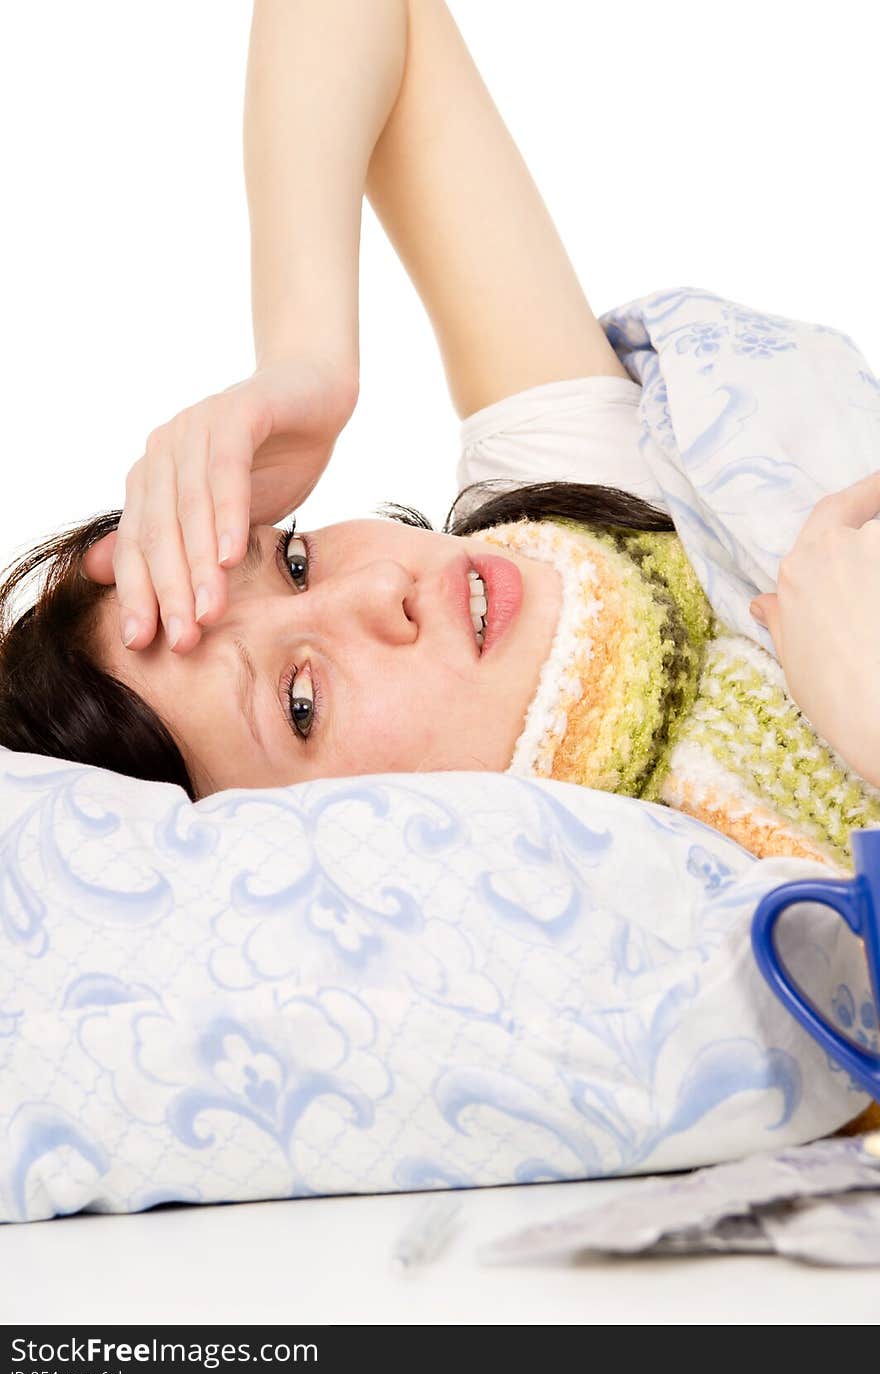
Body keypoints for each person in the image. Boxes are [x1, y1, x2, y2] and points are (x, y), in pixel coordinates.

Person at [1, 0, 879, 871]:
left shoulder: (578, 535)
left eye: (297, 560)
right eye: (301, 700)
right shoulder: (643, 912)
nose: (385, 583)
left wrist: (306, 363)